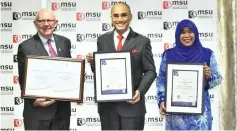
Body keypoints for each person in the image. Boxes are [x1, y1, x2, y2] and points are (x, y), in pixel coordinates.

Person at [86, 2, 157, 130]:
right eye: (116, 16)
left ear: (130, 17)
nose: (119, 19)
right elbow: (100, 71)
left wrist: (140, 92)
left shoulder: (142, 41)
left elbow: (150, 71)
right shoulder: (102, 40)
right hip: (108, 108)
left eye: (123, 15)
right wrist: (93, 63)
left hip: (132, 107)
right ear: (111, 18)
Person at [157, 19, 222, 130]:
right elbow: (161, 80)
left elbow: (218, 79)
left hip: (199, 115)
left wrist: (208, 77)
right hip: (176, 115)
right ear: (178, 35)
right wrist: (162, 100)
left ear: (195, 33)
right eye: (183, 32)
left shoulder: (207, 54)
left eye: (190, 31)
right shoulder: (169, 55)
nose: (187, 35)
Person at [17, 8, 72, 130]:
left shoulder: (65, 42)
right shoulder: (25, 47)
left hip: (62, 113)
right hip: (38, 113)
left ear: (56, 23)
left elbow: (68, 68)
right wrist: (33, 101)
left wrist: (76, 77)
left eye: (49, 20)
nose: (46, 24)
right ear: (35, 24)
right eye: (41, 21)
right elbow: (23, 79)